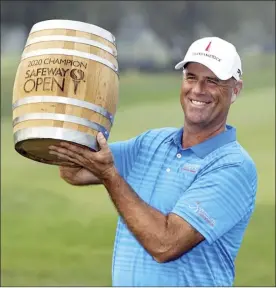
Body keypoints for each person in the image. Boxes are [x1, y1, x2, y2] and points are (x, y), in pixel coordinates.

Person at [49, 36, 258, 286]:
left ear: (235, 90)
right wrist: (77, 108)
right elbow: (74, 172)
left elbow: (165, 244)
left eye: (212, 81)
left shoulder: (234, 166)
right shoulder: (151, 142)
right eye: (191, 77)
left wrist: (110, 175)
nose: (198, 89)